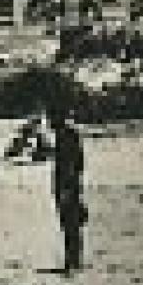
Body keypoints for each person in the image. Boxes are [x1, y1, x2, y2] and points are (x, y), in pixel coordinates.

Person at [50, 106, 87, 272]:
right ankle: (74, 259)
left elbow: (71, 164)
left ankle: (73, 260)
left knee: (70, 222)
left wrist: (67, 187)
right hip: (69, 182)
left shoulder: (66, 134)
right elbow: (79, 162)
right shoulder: (67, 133)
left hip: (67, 183)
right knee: (71, 223)